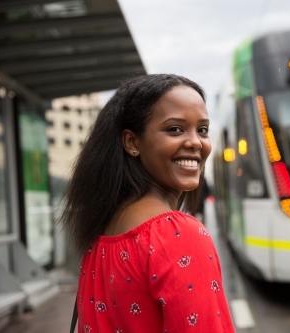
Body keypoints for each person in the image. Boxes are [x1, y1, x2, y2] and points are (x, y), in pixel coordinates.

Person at [60, 74, 235, 333]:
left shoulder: (100, 234)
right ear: (132, 142)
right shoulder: (177, 235)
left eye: (203, 130)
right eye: (175, 129)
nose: (195, 142)